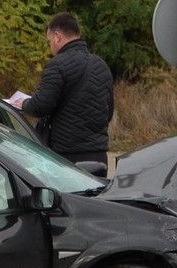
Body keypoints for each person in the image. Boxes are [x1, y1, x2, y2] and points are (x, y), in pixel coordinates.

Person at [18, 12, 114, 166]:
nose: (50, 46)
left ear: (57, 36)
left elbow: (40, 106)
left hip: (66, 158)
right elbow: (108, 112)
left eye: (49, 40)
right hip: (99, 157)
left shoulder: (57, 64)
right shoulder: (101, 65)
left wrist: (22, 103)